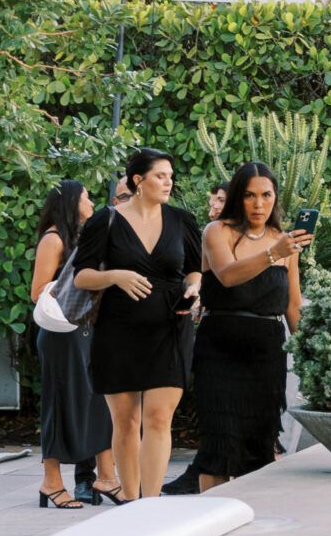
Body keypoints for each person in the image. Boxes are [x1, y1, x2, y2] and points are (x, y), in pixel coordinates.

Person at [72, 149, 205, 501]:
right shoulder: (106, 220)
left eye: (170, 175)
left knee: (160, 418)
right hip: (118, 330)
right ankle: (131, 501)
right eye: (160, 175)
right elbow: (81, 277)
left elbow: (195, 268)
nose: (168, 181)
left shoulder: (182, 220)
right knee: (127, 422)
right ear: (137, 180)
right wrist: (115, 276)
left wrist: (194, 286)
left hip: (170, 326)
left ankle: (151, 502)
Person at [190, 162, 310, 489]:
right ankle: (211, 523)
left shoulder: (284, 243)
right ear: (237, 198)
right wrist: (273, 253)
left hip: (266, 350)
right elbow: (227, 275)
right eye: (250, 195)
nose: (259, 204)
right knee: (219, 442)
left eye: (266, 195)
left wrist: (311, 357)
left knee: (259, 444)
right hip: (220, 347)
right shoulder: (218, 231)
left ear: (275, 198)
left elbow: (293, 304)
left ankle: (248, 521)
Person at [27, 180, 115, 509]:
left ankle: (104, 476)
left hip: (84, 331)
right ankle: (51, 482)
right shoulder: (53, 239)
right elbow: (38, 292)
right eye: (86, 197)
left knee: (95, 402)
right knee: (59, 403)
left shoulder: (79, 237)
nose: (91, 202)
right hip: (61, 334)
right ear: (70, 203)